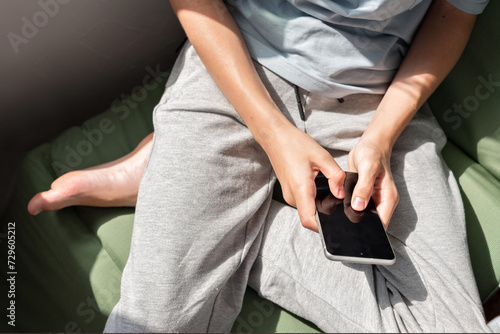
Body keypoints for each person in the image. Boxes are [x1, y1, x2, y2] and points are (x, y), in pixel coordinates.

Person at [28, 0, 492, 332]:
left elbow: (453, 14)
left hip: (382, 101)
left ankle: (221, 204)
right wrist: (273, 134)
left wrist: (381, 138)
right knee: (153, 324)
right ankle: (208, 188)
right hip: (240, 71)